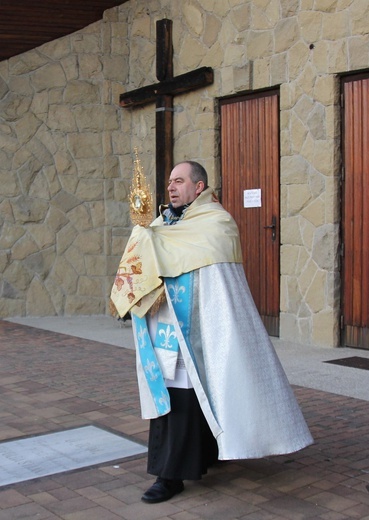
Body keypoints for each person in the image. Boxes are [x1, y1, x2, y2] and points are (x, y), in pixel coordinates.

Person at [111, 161, 313, 504]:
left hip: (201, 329)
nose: (171, 187)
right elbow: (143, 261)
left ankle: (169, 476)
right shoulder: (159, 224)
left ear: (199, 187)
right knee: (175, 398)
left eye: (180, 181)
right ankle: (195, 459)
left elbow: (218, 284)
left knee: (195, 396)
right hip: (165, 327)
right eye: (170, 182)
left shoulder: (216, 222)